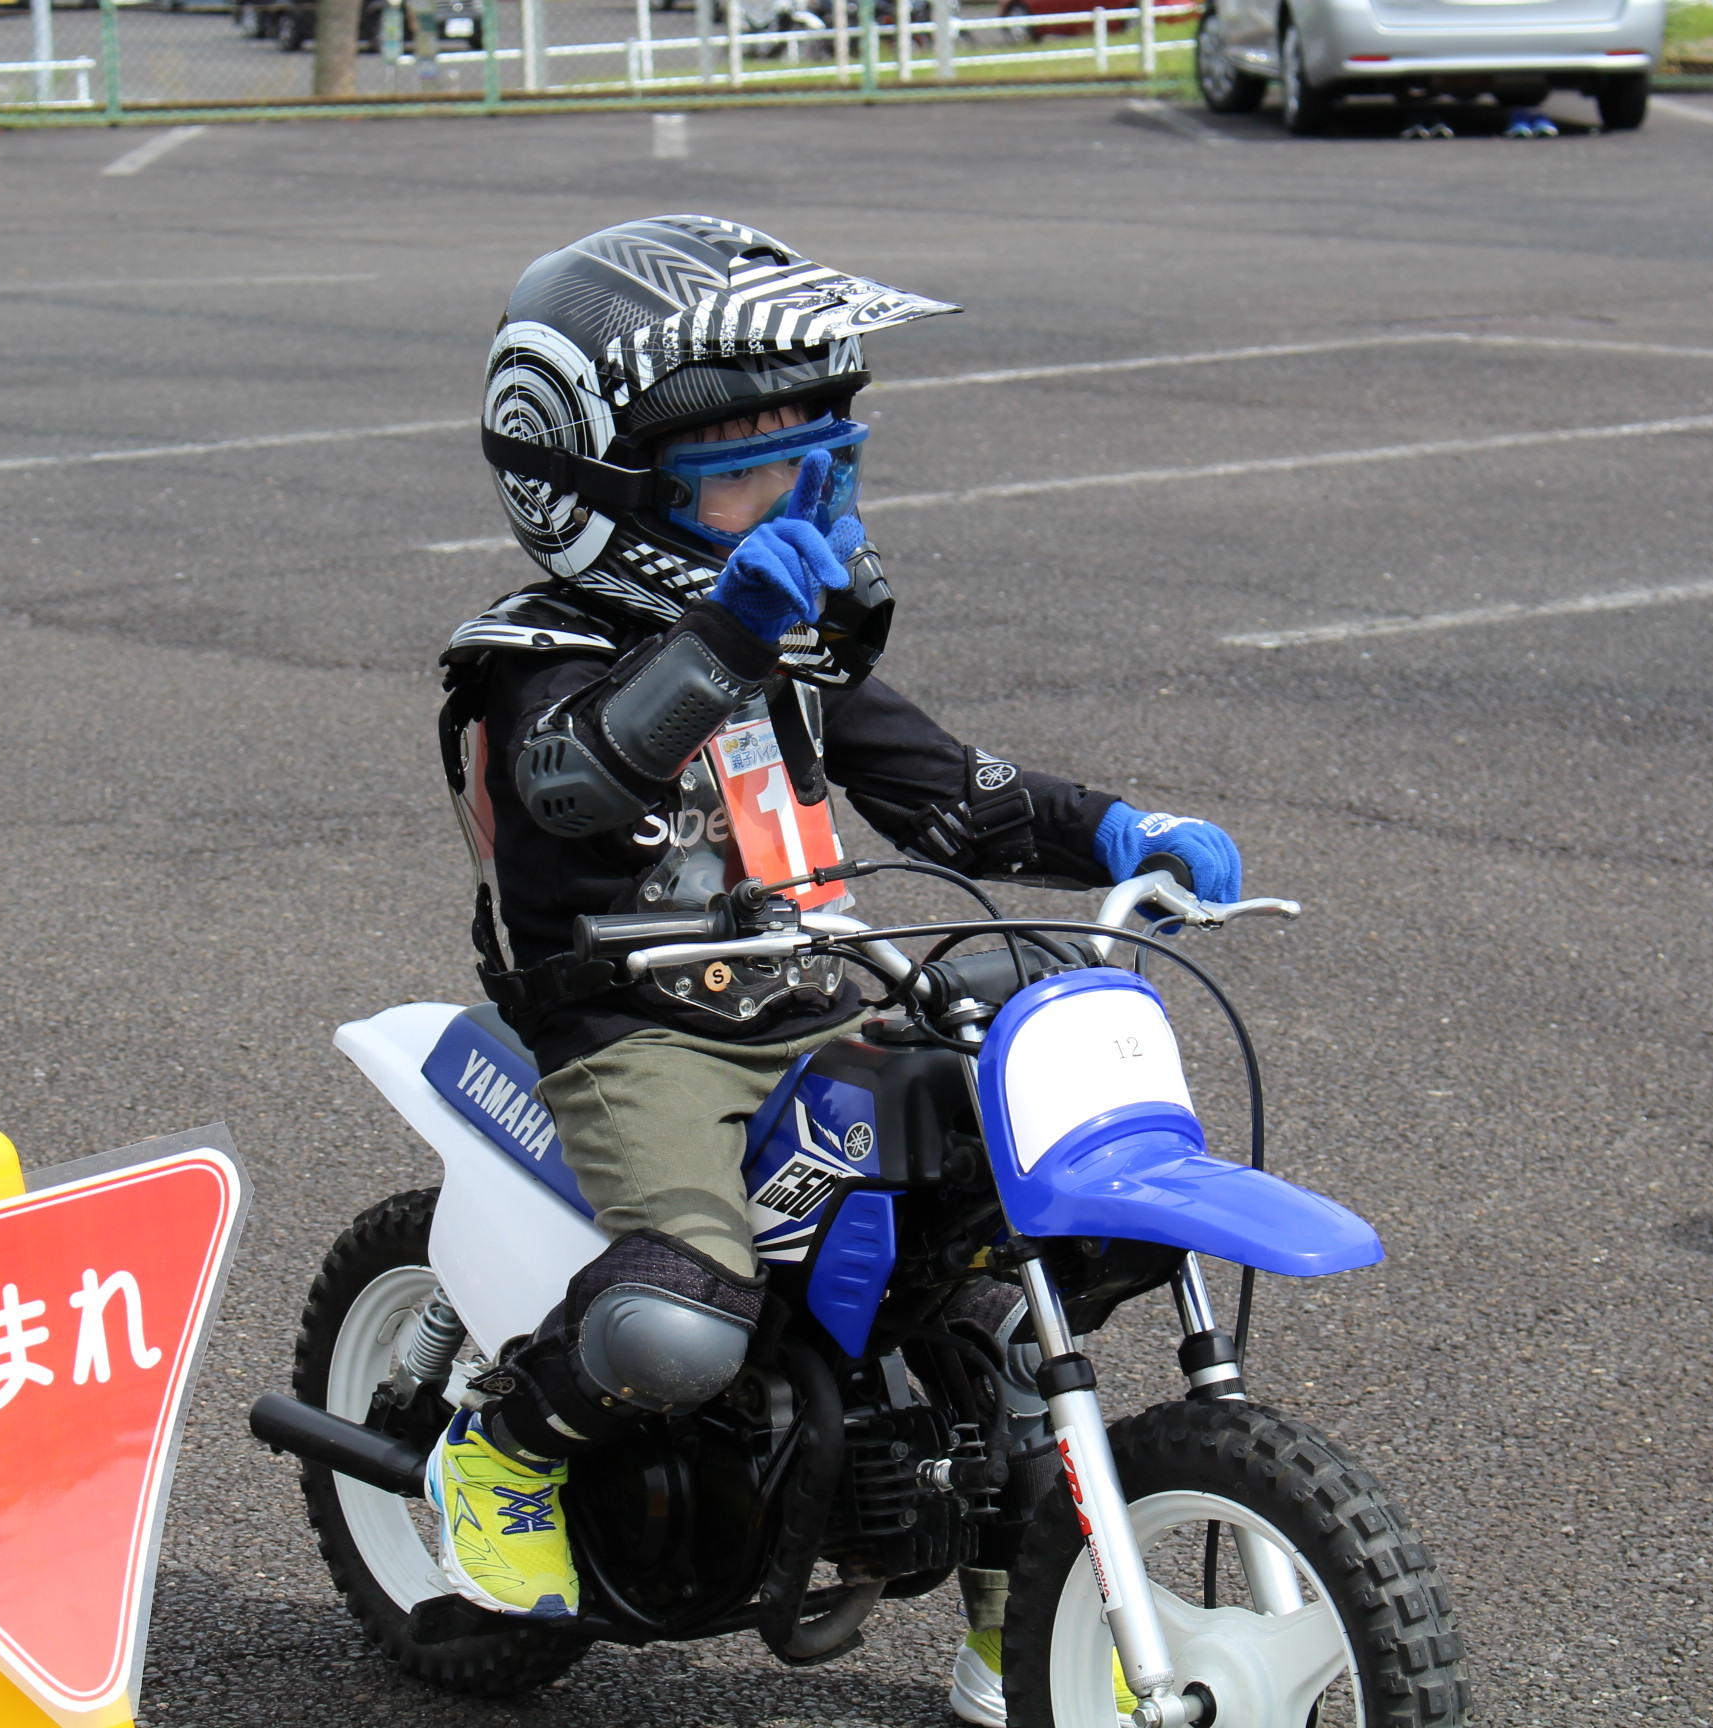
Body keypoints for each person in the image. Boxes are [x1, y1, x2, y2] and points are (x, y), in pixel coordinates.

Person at [426, 214, 1244, 1717]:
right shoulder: (536, 651)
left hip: (814, 988)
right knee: (681, 1309)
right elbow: (578, 783)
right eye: (752, 471)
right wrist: (726, 637)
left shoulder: (794, 645)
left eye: (825, 461)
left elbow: (945, 783)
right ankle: (508, 1441)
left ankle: (1026, 1615)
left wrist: (1120, 826)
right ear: (597, 489)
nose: (803, 500)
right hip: (637, 1030)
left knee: (988, 1271)